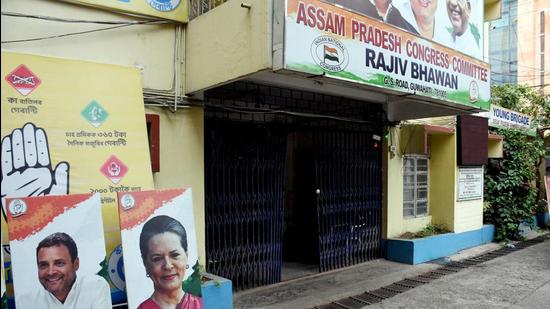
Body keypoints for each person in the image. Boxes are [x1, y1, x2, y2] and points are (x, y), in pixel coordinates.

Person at [19, 232, 111, 309]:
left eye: (59, 263)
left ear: (76, 264)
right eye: (44, 265)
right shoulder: (26, 302)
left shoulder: (95, 287)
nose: (51, 272)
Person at [138, 215, 203, 309]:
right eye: (157, 258)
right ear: (145, 263)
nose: (168, 266)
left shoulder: (203, 305)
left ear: (186, 255)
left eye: (175, 255)